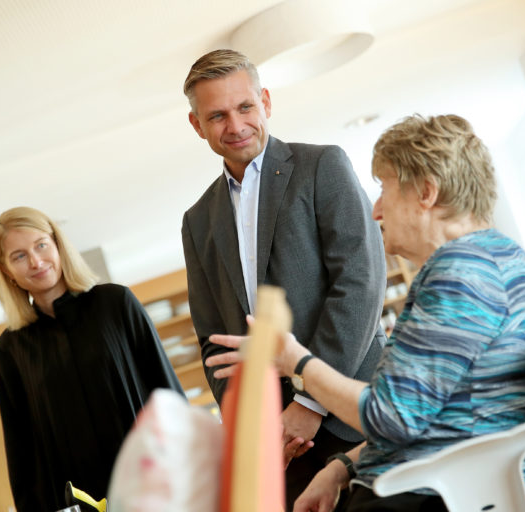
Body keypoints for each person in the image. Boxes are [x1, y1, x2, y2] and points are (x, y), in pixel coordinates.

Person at [209, 114, 525, 511]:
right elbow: (423, 415)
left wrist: (297, 361)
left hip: (444, 493)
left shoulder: (460, 274)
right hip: (435, 481)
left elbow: (388, 416)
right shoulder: (492, 259)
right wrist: (339, 468)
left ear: (426, 192)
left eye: (385, 189)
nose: (376, 210)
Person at [181, 49, 387, 508]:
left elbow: (360, 285)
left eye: (245, 107)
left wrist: (309, 404)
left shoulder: (322, 167)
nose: (235, 126)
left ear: (266, 102)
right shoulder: (197, 222)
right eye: (217, 116)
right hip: (280, 450)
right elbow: (215, 343)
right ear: (197, 125)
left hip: (355, 415)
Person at [0, 206, 183, 511]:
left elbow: (167, 392)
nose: (36, 261)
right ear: (6, 271)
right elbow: (21, 450)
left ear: (58, 245)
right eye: (19, 256)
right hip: (76, 501)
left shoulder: (116, 304)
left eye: (41, 245)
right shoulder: (10, 350)